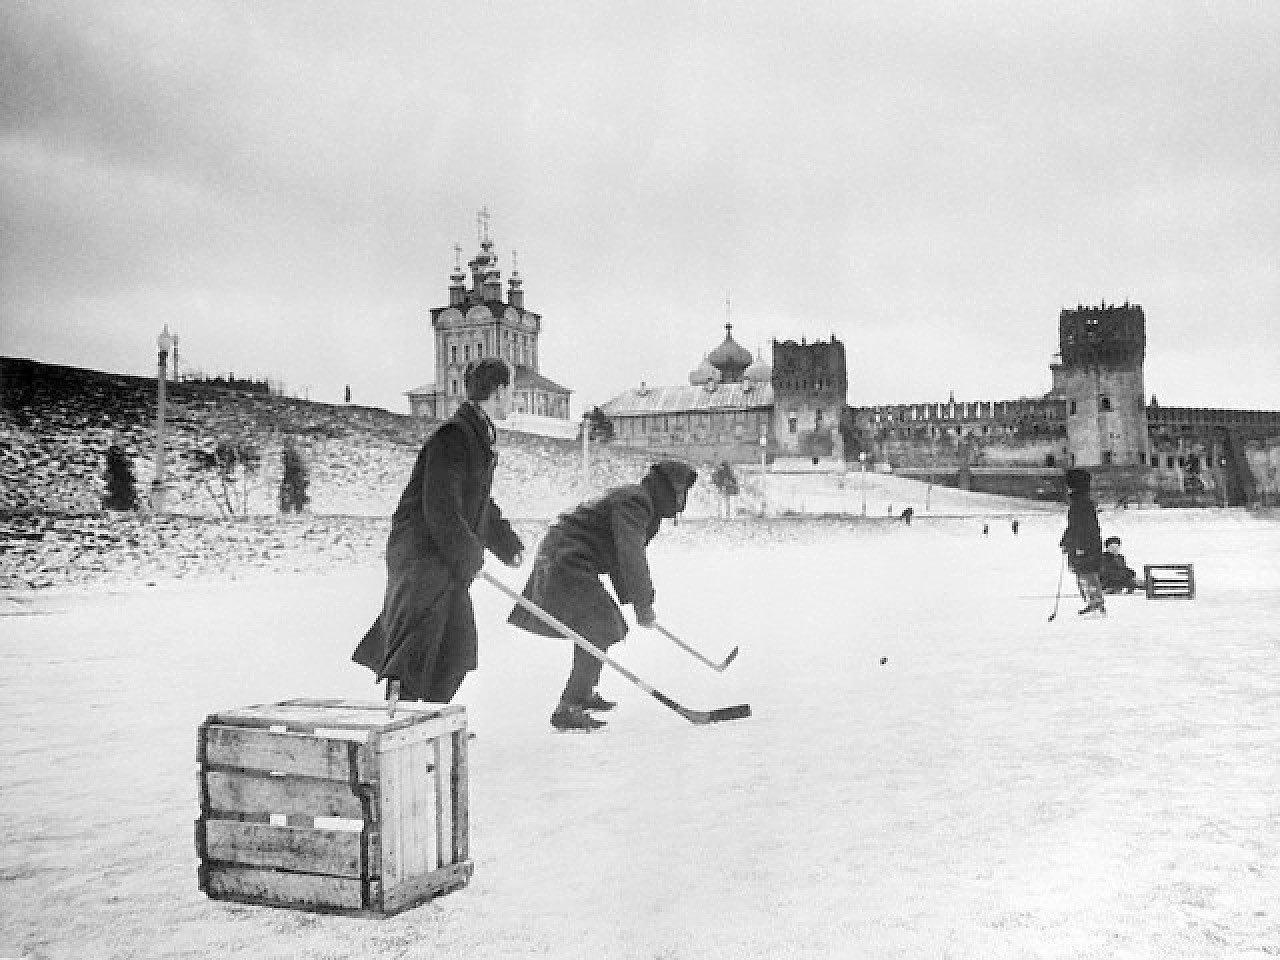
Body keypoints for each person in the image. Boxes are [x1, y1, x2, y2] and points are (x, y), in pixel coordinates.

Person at [352, 358, 524, 710]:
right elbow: (441, 507)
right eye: (512, 392)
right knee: (415, 645)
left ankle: (429, 720)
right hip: (421, 555)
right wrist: (470, 556)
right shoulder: (453, 438)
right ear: (500, 391)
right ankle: (399, 720)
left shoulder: (477, 437)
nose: (514, 400)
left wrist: (506, 543)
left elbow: (477, 504)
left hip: (445, 554)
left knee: (456, 651)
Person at [507, 460, 700, 732]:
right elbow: (630, 554)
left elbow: (621, 558)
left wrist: (638, 604)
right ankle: (569, 706)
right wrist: (643, 604)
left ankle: (582, 693)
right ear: (668, 490)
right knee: (601, 625)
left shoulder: (643, 504)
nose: (683, 500)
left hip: (567, 557)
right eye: (681, 492)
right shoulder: (636, 502)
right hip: (565, 559)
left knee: (600, 625)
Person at [1059, 467, 1106, 615]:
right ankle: (1092, 602)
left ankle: (1096, 603)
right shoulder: (1081, 502)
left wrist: (1078, 544)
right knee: (1083, 573)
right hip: (1084, 544)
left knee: (1087, 573)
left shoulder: (1081, 503)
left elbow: (1081, 527)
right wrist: (1067, 540)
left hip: (1085, 545)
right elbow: (1075, 526)